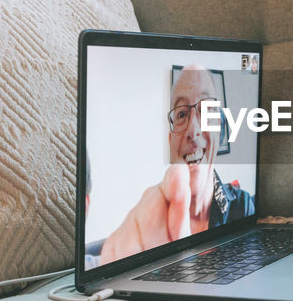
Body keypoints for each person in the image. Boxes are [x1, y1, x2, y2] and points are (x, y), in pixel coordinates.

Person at [94, 64, 254, 267]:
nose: (193, 130)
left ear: (219, 130)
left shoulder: (244, 206)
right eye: (181, 115)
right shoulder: (150, 221)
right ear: (170, 141)